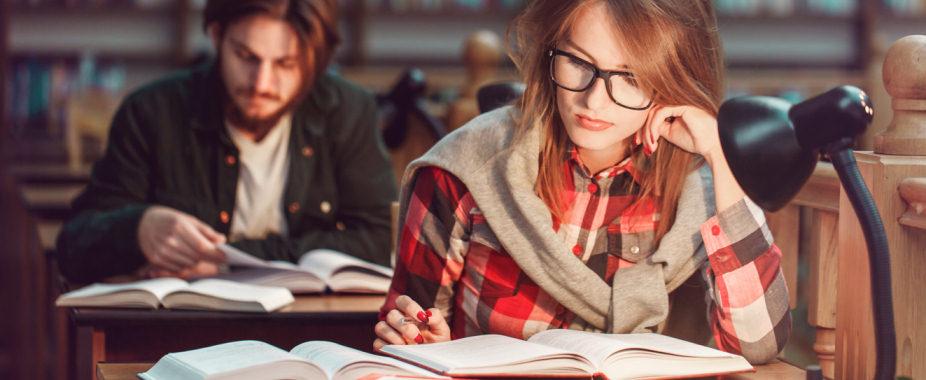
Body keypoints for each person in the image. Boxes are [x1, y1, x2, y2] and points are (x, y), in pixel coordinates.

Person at [376, 0, 790, 364]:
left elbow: (759, 346)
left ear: (673, 80)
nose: (594, 101)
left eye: (630, 77)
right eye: (577, 62)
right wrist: (423, 346)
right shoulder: (465, 168)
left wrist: (718, 154)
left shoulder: (704, 187)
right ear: (549, 52)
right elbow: (408, 337)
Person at [56, 0, 397, 283]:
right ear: (217, 36)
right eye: (246, 57)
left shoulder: (348, 111)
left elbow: (380, 240)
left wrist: (230, 261)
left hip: (310, 329)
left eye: (285, 64)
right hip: (176, 331)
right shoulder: (151, 112)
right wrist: (137, 229)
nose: (261, 83)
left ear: (313, 61)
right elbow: (72, 248)